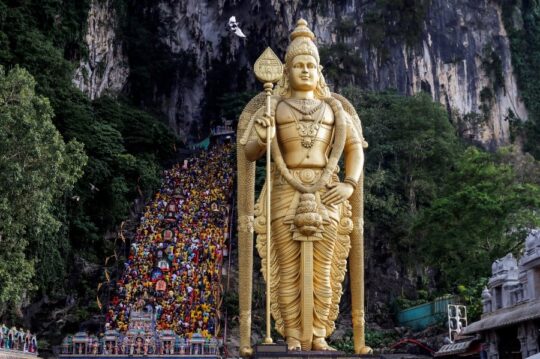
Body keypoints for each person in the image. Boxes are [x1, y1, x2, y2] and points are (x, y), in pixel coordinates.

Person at [238, 19, 369, 353]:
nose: (305, 70)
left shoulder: (334, 108)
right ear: (287, 70)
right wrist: (263, 135)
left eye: (311, 65)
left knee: (324, 270)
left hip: (328, 191)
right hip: (284, 188)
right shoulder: (275, 106)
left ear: (320, 69)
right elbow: (250, 152)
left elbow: (354, 149)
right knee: (288, 269)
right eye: (298, 65)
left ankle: (320, 334)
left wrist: (350, 184)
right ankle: (293, 335)